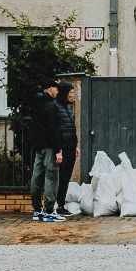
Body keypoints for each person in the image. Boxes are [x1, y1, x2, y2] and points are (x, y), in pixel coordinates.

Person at [27, 79, 66, 222]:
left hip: (39, 146)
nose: (58, 91)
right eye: (56, 89)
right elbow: (54, 130)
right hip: (50, 146)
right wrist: (58, 150)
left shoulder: (36, 104)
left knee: (36, 177)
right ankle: (49, 211)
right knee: (51, 177)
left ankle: (37, 210)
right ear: (50, 89)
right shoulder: (51, 106)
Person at [53, 81, 80, 216]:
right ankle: (54, 205)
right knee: (59, 177)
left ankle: (61, 205)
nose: (73, 94)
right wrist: (58, 150)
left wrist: (76, 145)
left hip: (70, 148)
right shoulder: (56, 107)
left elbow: (72, 128)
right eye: (71, 92)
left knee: (65, 178)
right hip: (62, 149)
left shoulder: (68, 108)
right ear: (64, 93)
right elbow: (56, 130)